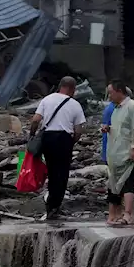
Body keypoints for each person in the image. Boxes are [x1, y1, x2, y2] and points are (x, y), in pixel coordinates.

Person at [30, 76, 86, 222]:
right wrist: (71, 142)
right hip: (64, 139)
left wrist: (32, 136)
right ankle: (54, 207)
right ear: (73, 89)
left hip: (48, 137)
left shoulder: (47, 99)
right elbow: (78, 130)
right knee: (62, 174)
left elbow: (36, 120)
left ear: (60, 86)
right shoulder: (75, 104)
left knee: (52, 171)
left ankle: (50, 206)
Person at [102, 79, 134, 226]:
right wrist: (108, 129)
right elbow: (120, 129)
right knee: (114, 184)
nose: (109, 97)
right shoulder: (116, 109)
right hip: (115, 153)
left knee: (128, 183)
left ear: (119, 91)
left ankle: (128, 214)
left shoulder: (133, 106)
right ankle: (115, 214)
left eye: (111, 93)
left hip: (127, 151)